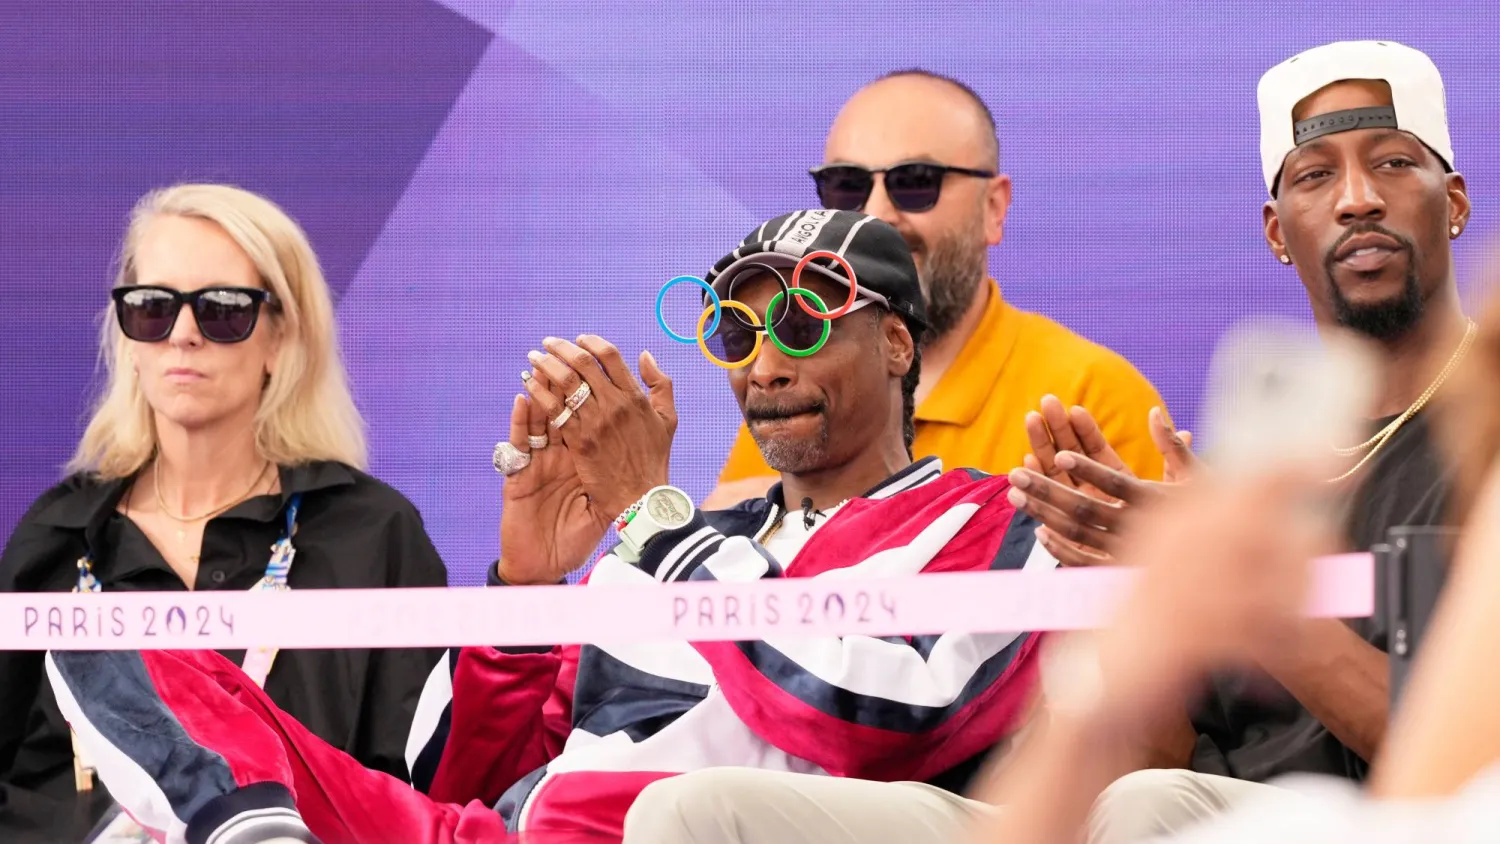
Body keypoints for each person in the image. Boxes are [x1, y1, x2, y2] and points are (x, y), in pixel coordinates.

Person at [42, 210, 1053, 844]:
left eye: (798, 325)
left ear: (893, 342)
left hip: (655, 830)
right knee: (108, 635)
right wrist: (525, 596)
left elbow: (883, 722)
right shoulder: (677, 543)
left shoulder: (984, 515)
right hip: (486, 830)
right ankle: (254, 831)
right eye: (739, 333)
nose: (763, 366)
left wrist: (659, 526)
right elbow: (452, 776)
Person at [996, 40, 1476, 842]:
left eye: (1393, 164)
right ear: (1276, 231)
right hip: (1201, 814)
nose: (1358, 200)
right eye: (1315, 175)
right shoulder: (1239, 481)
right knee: (715, 805)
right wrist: (1139, 606)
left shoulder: (1484, 438)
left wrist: (1257, 599)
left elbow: (1457, 773)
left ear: (1454, 202)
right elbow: (1159, 759)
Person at [0, 184, 448, 842]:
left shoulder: (372, 535)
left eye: (221, 310)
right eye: (152, 308)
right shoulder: (56, 536)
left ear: (280, 338)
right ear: (127, 338)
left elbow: (433, 787)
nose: (183, 335)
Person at [704, 69, 1167, 509]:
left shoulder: (1092, 396)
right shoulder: (792, 380)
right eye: (847, 187)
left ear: (993, 207)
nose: (876, 214)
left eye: (915, 183)